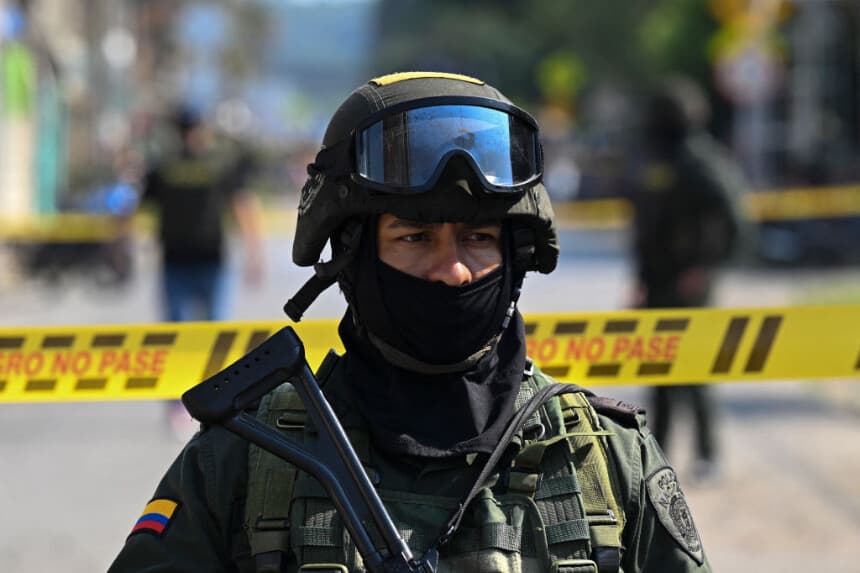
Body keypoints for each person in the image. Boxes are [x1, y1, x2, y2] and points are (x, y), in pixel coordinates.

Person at [110, 72, 711, 572]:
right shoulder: (247, 461)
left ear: (517, 255)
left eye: (477, 238)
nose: (451, 270)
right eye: (414, 238)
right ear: (352, 255)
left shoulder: (607, 462)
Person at [628, 77, 744, 485]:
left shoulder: (702, 160)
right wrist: (640, 279)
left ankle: (707, 453)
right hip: (658, 282)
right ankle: (657, 456)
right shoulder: (653, 159)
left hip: (691, 283)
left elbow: (734, 219)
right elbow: (644, 226)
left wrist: (707, 269)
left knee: (694, 370)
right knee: (659, 368)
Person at [142, 105, 265, 437]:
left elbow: (242, 205)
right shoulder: (167, 167)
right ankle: (179, 406)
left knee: (214, 336)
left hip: (211, 263)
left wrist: (255, 253)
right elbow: (140, 203)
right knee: (179, 336)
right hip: (177, 263)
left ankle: (215, 405)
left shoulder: (214, 164)